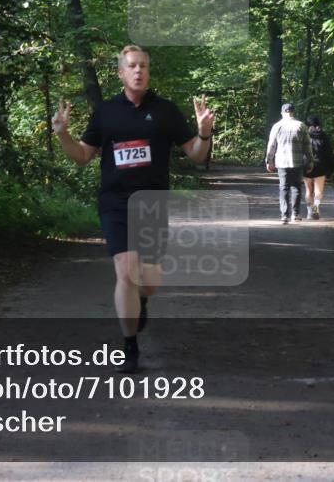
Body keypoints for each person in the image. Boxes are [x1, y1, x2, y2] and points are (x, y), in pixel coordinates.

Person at [50, 45, 214, 373]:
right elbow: (82, 156)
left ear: (148, 72)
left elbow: (196, 155)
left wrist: (204, 132)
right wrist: (63, 134)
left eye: (143, 66)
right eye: (132, 66)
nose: (138, 71)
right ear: (120, 73)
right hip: (115, 203)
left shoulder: (165, 111)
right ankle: (130, 346)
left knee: (148, 282)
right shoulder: (106, 112)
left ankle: (141, 299)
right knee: (125, 272)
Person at [265, 103, 313, 224]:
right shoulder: (301, 126)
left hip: (281, 162)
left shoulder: (277, 126)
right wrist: (310, 161)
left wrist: (269, 160)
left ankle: (284, 215)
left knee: (284, 187)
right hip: (297, 162)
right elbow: (308, 146)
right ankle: (295, 215)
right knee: (296, 187)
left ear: (282, 113)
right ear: (293, 112)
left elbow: (271, 145)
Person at [304, 116, 334, 220]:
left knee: (308, 190)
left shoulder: (305, 136)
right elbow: (329, 154)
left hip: (307, 165)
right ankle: (315, 209)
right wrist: (331, 169)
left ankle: (309, 213)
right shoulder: (324, 136)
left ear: (308, 126)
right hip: (321, 166)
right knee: (318, 191)